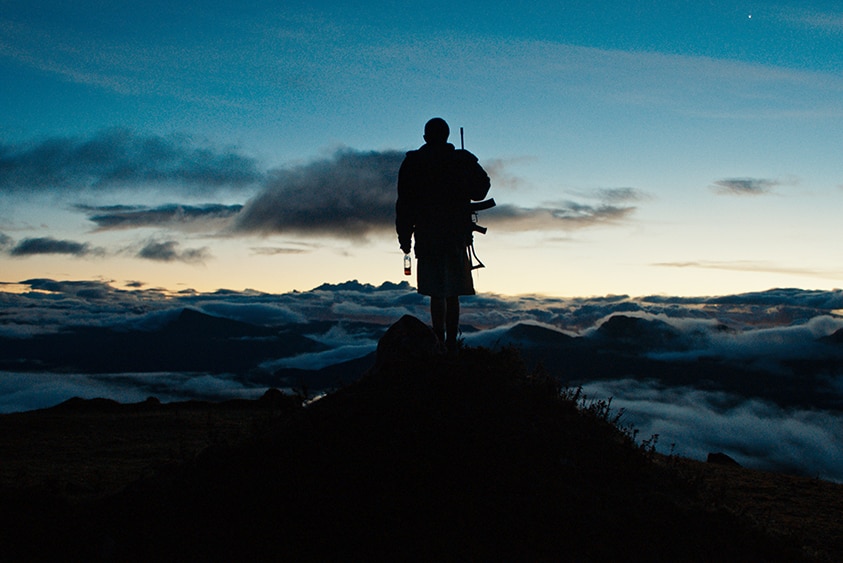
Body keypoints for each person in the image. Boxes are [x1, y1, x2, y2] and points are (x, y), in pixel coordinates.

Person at [395, 117, 491, 353]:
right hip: (456, 235)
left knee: (436, 293)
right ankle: (450, 344)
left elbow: (404, 204)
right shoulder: (460, 159)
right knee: (453, 292)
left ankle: (439, 342)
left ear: (426, 137)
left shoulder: (414, 163)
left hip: (428, 237)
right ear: (447, 136)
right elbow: (482, 189)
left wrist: (405, 238)